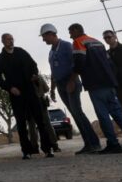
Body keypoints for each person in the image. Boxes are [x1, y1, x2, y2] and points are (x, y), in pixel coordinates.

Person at [65, 23, 122, 154]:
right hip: (109, 83)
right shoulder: (98, 42)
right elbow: (110, 63)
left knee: (103, 115)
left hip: (96, 84)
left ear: (76, 30)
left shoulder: (79, 42)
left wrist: (72, 80)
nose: (70, 36)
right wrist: (112, 80)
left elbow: (79, 63)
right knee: (117, 112)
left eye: (70, 32)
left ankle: (113, 144)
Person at [42, 24, 101, 155]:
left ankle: (94, 143)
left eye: (44, 37)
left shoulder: (67, 46)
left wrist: (72, 81)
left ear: (51, 34)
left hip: (71, 82)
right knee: (75, 114)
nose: (43, 40)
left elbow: (76, 65)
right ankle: (88, 144)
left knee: (78, 112)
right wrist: (52, 89)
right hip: (61, 85)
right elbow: (53, 71)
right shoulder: (51, 51)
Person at [0, 33, 54, 160]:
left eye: (12, 39)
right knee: (21, 123)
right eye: (8, 39)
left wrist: (34, 75)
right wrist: (10, 88)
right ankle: (26, 151)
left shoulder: (21, 52)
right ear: (3, 41)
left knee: (40, 121)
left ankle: (48, 149)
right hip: (16, 94)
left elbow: (33, 65)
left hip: (30, 91)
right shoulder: (0, 59)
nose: (11, 41)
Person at [27, 73, 60, 153]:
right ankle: (54, 144)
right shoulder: (39, 76)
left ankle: (34, 147)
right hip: (41, 101)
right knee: (47, 124)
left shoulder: (25, 77)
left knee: (31, 125)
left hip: (30, 103)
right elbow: (46, 89)